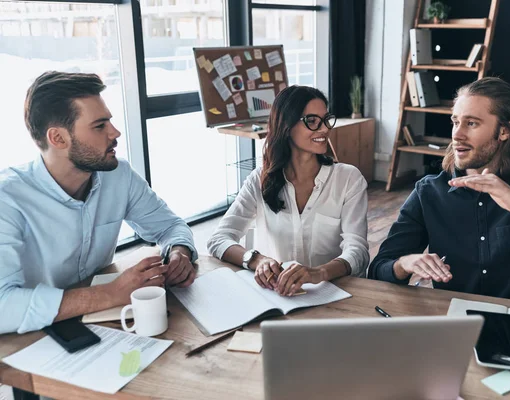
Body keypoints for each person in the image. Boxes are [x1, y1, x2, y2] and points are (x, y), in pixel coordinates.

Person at [369, 77, 510, 303]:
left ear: (504, 131)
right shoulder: (429, 191)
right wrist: (404, 264)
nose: (457, 135)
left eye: (471, 123)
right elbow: (378, 270)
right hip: (450, 329)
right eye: (455, 122)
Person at [0, 71, 198, 334]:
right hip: (30, 340)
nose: (115, 132)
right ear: (57, 138)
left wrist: (179, 253)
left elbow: (170, 226)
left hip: (107, 324)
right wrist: (109, 294)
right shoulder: (8, 199)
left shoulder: (118, 176)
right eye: (99, 126)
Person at [208, 85, 369, 296]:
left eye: (326, 119)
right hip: (278, 297)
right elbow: (219, 239)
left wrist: (318, 273)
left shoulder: (348, 179)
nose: (324, 129)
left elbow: (358, 252)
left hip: (334, 296)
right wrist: (257, 260)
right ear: (286, 125)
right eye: (311, 121)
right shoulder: (260, 179)